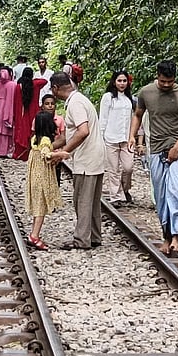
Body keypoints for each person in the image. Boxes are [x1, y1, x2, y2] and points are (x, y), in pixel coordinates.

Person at [128, 60, 178, 257]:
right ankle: (167, 237)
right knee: (161, 198)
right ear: (157, 76)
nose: (167, 85)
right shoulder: (146, 92)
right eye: (163, 81)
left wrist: (177, 147)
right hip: (156, 151)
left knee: (177, 190)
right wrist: (132, 135)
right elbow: (138, 114)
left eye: (170, 81)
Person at [46, 72, 104, 250]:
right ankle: (94, 236)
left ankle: (81, 239)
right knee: (93, 200)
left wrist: (64, 152)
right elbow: (69, 133)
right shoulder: (79, 100)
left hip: (87, 158)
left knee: (82, 200)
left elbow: (82, 131)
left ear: (56, 88)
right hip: (95, 156)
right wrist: (50, 146)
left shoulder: (75, 104)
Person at [25, 94, 64, 250]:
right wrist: (61, 154)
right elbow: (47, 155)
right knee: (41, 209)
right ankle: (34, 236)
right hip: (41, 179)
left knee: (38, 207)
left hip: (34, 177)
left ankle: (34, 233)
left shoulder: (35, 139)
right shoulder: (46, 141)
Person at [98, 70, 135, 207]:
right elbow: (103, 118)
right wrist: (101, 137)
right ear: (114, 82)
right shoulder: (108, 97)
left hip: (126, 139)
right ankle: (115, 196)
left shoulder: (129, 99)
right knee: (113, 169)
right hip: (110, 138)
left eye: (124, 81)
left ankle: (125, 190)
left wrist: (134, 136)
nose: (122, 83)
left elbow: (133, 119)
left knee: (128, 168)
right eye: (119, 81)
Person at [12, 67, 49, 160]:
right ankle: (32, 152)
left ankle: (20, 153)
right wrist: (33, 79)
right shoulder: (35, 84)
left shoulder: (19, 87)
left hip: (22, 113)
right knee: (33, 131)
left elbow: (16, 103)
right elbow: (44, 81)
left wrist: (15, 116)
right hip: (34, 112)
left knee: (21, 132)